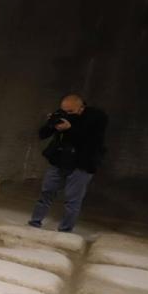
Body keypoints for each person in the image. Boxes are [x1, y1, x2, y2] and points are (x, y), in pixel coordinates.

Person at [28, 94, 107, 232]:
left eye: (71, 111)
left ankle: (65, 230)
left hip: (82, 164)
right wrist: (52, 124)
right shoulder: (61, 115)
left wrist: (70, 129)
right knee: (46, 192)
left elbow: (92, 141)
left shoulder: (96, 118)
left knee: (72, 200)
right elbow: (42, 134)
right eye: (64, 111)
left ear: (81, 108)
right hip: (59, 160)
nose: (67, 114)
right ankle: (35, 222)